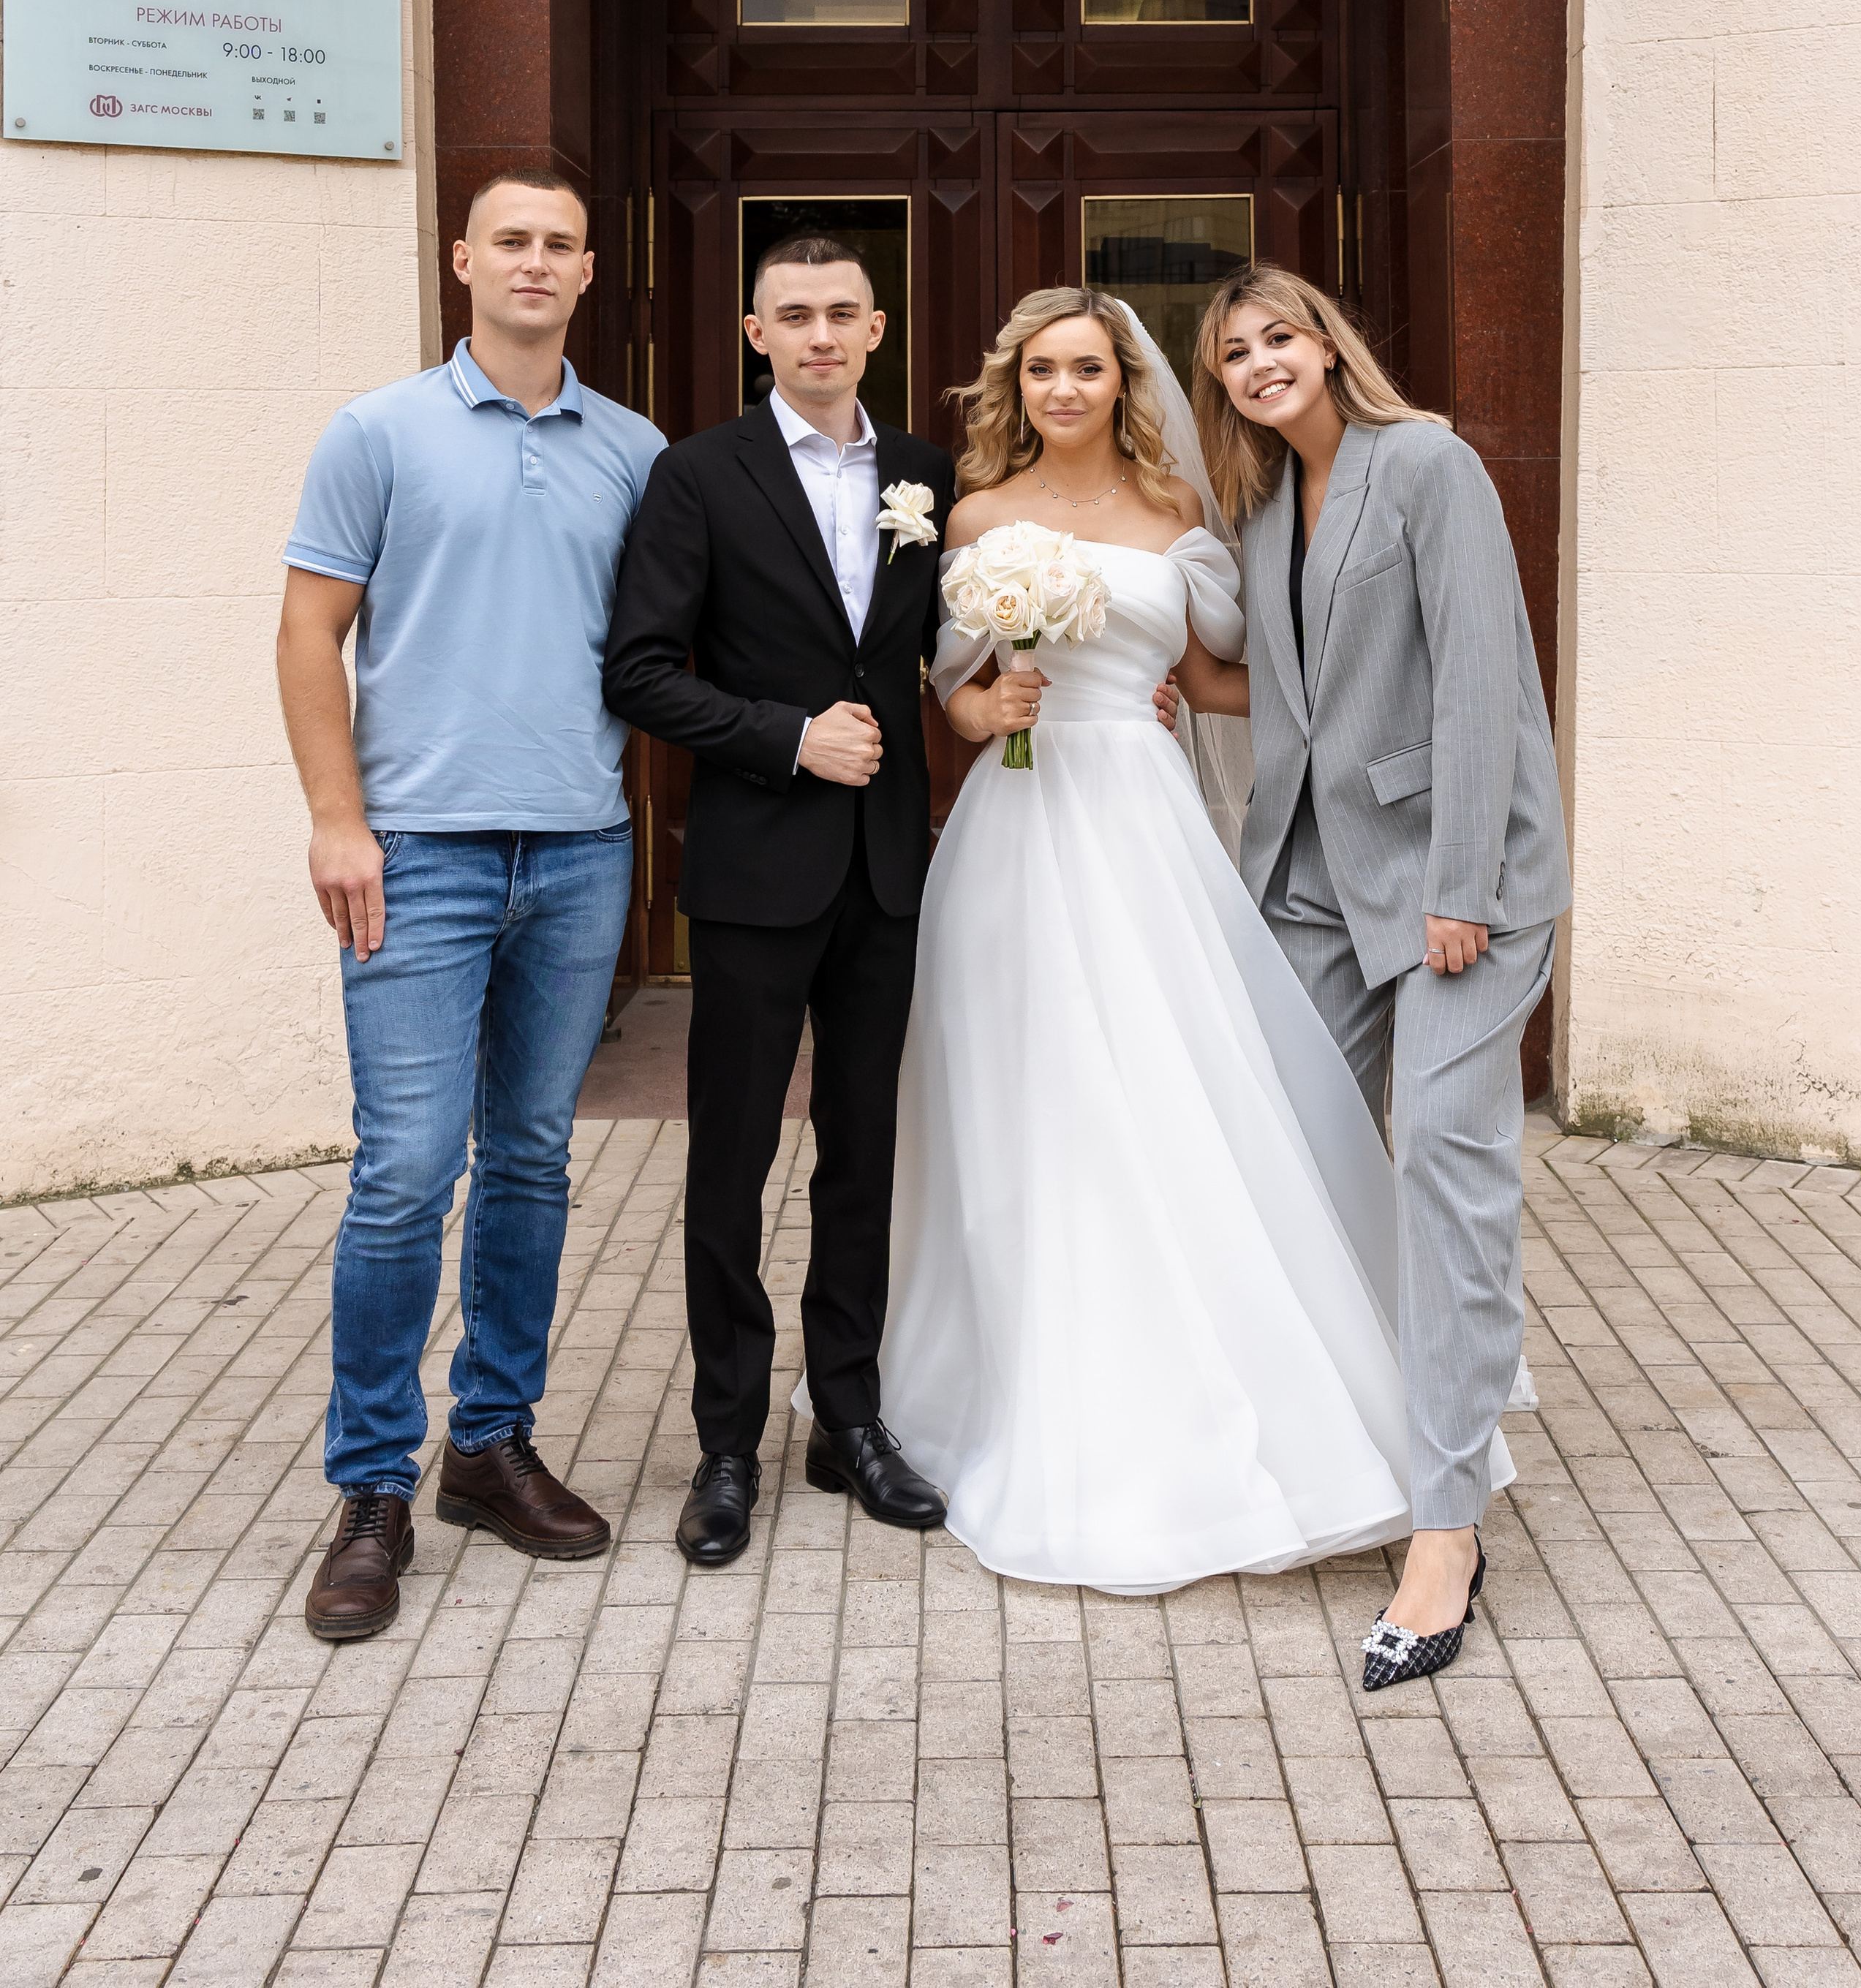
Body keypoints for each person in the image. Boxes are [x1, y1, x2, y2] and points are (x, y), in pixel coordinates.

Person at [877, 287, 1490, 1599]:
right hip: (1012, 840)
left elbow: (1244, 674)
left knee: (1167, 1095)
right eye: (1041, 369)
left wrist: (1392, 718)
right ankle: (1025, 1374)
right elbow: (949, 685)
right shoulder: (979, 520)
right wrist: (991, 708)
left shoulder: (1188, 520)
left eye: (1087, 367)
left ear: (1124, 380)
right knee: (1028, 1109)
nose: (1063, 389)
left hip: (1143, 823)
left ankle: (1237, 1377)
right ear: (1016, 384)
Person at [278, 170, 664, 1641]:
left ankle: (487, 1448)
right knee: (402, 1173)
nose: (536, 261)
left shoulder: (634, 449)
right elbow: (311, 630)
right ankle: (370, 1486)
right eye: (512, 238)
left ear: (586, 271)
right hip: (418, 856)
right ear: (463, 259)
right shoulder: (379, 431)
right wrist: (337, 818)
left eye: (562, 242)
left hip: (576, 850)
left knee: (530, 1162)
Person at [1192, 262, 1571, 1687]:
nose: (1257, 363)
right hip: (1317, 883)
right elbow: (1293, 704)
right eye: (1232, 352)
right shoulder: (1267, 507)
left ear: (1326, 343)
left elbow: (1484, 674)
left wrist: (1461, 888)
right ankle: (1330, 1433)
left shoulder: (1428, 464)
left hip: (1459, 889)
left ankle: (1444, 1526)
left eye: (1276, 335)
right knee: (1278, 1153)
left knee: (1445, 1170)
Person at [603, 235, 956, 1568]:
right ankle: (728, 1443)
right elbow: (638, 670)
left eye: (843, 314)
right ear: (756, 333)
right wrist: (785, 736)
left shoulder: (924, 475)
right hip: (756, 869)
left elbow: (941, 656)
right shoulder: (696, 475)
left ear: (879, 328)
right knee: (733, 1165)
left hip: (885, 869)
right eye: (793, 315)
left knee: (866, 1155)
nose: (820, 334)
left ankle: (849, 1419)